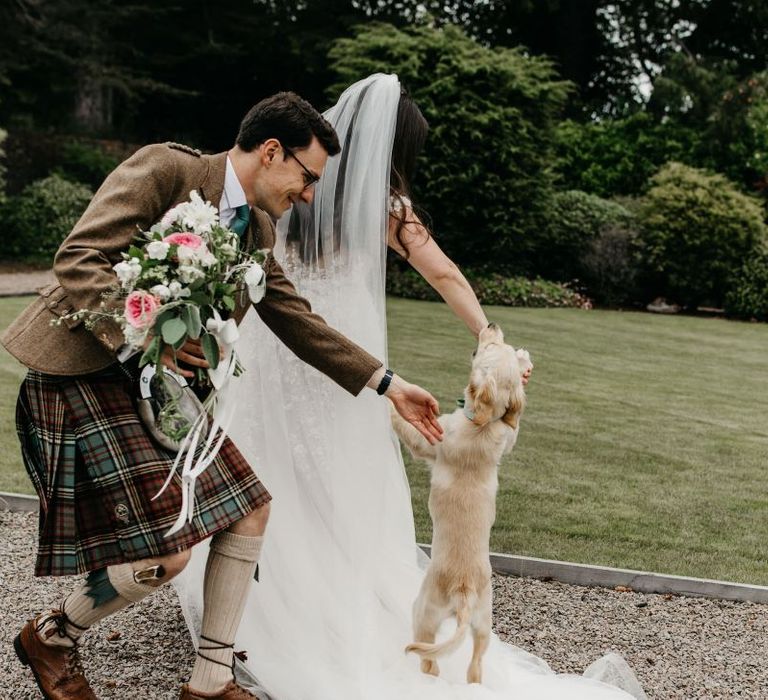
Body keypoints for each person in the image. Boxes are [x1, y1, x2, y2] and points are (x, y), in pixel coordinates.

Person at [174, 75, 645, 699]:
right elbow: (445, 274)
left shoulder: (281, 192)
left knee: (267, 475)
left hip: (277, 353)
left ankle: (254, 614)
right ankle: (326, 602)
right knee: (342, 486)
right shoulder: (387, 210)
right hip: (348, 363)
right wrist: (489, 336)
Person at [3, 91, 445, 700]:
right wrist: (149, 331)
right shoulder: (167, 169)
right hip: (84, 373)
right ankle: (51, 637)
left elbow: (297, 320)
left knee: (250, 509)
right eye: (308, 176)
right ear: (271, 151)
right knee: (169, 554)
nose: (310, 194)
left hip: (162, 393)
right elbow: (78, 258)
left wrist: (389, 385)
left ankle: (209, 684)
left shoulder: (257, 229)